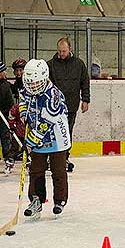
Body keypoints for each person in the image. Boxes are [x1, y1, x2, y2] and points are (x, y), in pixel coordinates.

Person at [20, 59, 71, 217]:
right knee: (36, 170)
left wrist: (29, 141)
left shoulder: (53, 95)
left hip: (56, 136)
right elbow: (23, 101)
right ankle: (36, 199)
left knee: (58, 171)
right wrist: (23, 114)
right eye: (29, 83)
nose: (32, 86)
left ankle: (59, 200)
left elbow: (45, 123)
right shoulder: (27, 89)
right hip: (37, 135)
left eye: (35, 83)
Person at [47, 37, 90, 172]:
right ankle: (52, 158)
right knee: (53, 132)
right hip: (54, 107)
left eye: (64, 51)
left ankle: (64, 157)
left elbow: (85, 82)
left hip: (71, 105)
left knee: (67, 131)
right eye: (59, 51)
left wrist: (86, 100)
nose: (61, 54)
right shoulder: (50, 65)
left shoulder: (79, 64)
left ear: (70, 49)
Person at [4, 102, 26, 175]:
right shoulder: (19, 106)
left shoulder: (35, 104)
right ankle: (9, 164)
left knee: (29, 150)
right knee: (14, 148)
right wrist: (12, 126)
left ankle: (30, 164)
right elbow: (12, 115)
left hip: (30, 134)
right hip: (18, 132)